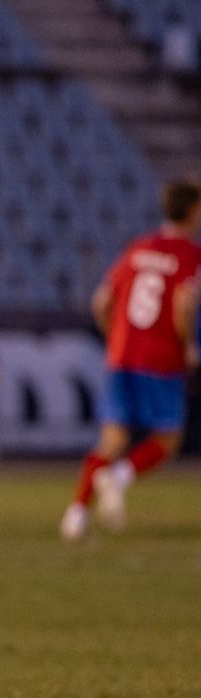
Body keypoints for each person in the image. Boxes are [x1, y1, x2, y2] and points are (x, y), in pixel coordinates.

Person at [61, 179, 201, 541]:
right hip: (160, 358)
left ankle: (76, 514)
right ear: (193, 211)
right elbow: (183, 304)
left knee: (111, 439)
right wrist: (186, 346)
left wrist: (116, 338)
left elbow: (100, 302)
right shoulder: (189, 255)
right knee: (168, 439)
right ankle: (119, 477)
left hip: (122, 355)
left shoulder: (138, 248)